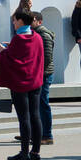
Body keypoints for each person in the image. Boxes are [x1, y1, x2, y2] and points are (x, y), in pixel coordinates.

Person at [0, 11, 44, 160]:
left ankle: (24, 153)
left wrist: (3, 51)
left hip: (20, 84)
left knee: (24, 118)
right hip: (35, 81)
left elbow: (13, 60)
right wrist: (10, 49)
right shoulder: (37, 37)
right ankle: (35, 152)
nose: (13, 23)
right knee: (35, 116)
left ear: (22, 21)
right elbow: (30, 55)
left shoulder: (18, 39)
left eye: (15, 20)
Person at [28, 12, 56, 145]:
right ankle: (33, 134)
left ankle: (47, 135)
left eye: (32, 20)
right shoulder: (34, 33)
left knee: (42, 104)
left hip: (43, 74)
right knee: (35, 105)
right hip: (38, 73)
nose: (30, 22)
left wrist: (36, 70)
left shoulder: (43, 35)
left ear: (39, 21)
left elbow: (47, 57)